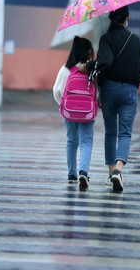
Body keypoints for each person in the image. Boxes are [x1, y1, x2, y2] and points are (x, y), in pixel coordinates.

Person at [85, 5, 140, 191]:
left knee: (110, 131)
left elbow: (103, 64)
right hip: (129, 91)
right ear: (126, 18)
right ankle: (118, 170)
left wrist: (88, 66)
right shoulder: (135, 40)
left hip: (110, 89)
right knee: (125, 132)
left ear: (112, 18)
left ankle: (111, 171)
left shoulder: (106, 39)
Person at [53, 36, 95, 187]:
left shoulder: (65, 69)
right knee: (86, 141)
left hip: (69, 112)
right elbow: (98, 92)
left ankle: (72, 174)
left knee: (71, 141)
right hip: (87, 113)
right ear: (89, 51)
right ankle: (83, 172)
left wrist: (63, 107)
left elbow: (56, 91)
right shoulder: (91, 69)